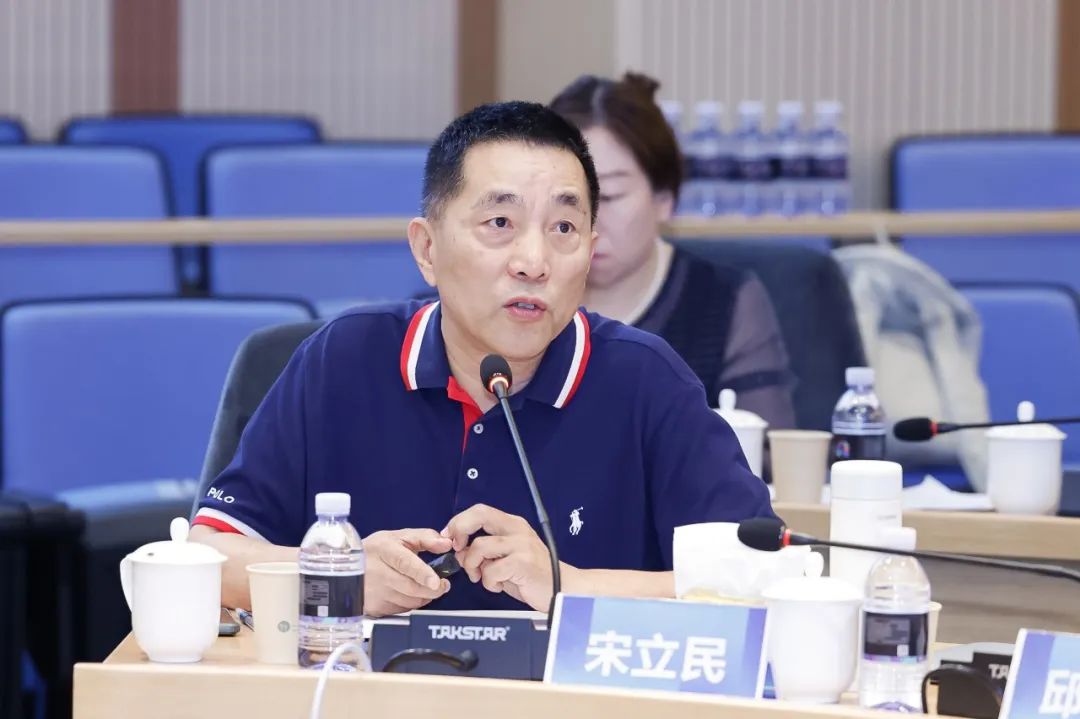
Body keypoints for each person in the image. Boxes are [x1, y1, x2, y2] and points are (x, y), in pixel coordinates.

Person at [190, 101, 774, 617]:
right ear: (427, 248)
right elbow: (206, 556)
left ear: (590, 252)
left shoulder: (645, 380)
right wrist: (338, 578)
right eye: (500, 223)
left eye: (564, 227)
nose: (533, 261)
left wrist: (566, 585)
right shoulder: (343, 360)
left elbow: (762, 578)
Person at [550, 73, 797, 428]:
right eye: (568, 199)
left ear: (664, 198)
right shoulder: (520, 290)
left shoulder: (723, 301)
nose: (588, 220)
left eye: (611, 196)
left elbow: (765, 450)